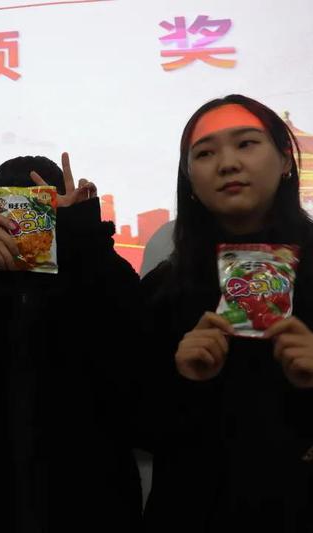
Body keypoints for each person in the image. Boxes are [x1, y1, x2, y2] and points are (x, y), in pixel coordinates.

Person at [0, 154, 143, 532]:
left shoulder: (96, 286)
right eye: (6, 206)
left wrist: (85, 239)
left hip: (91, 506)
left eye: (40, 207)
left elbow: (135, 376)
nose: (21, 220)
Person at [140, 94, 313, 532]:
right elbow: (132, 426)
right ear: (189, 180)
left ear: (285, 160)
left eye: (247, 143)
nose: (228, 163)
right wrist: (184, 380)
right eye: (205, 153)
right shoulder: (162, 291)